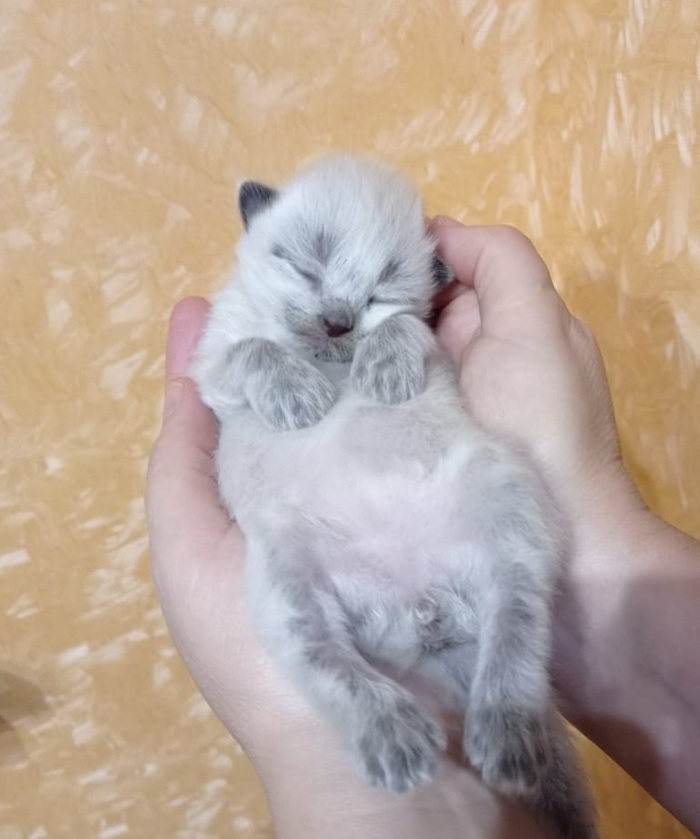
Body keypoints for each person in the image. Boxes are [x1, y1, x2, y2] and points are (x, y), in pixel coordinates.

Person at [146, 219, 700, 838]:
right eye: (306, 268)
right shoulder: (246, 315)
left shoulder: (401, 330)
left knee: (495, 480)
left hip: (444, 539)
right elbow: (221, 379)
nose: (337, 315)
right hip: (345, 567)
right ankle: (364, 707)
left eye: (381, 289)